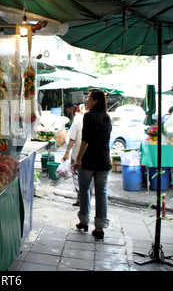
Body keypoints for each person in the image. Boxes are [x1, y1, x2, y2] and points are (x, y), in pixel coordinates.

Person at [73, 89, 112, 240]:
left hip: (89, 161)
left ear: (96, 100)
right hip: (103, 160)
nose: (86, 100)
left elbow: (85, 140)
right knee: (101, 193)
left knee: (84, 190)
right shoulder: (107, 117)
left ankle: (83, 221)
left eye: (89, 98)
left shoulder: (89, 116)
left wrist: (78, 159)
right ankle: (100, 228)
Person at [63, 104, 94, 206]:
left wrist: (67, 152)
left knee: (77, 178)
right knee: (89, 180)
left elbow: (72, 138)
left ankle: (82, 200)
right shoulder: (97, 118)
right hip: (91, 156)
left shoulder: (78, 120)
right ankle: (86, 200)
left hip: (78, 154)